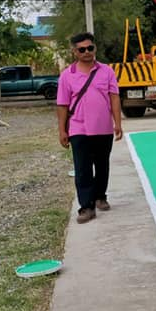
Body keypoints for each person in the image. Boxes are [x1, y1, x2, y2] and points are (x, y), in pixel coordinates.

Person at [56, 32, 122, 224]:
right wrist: (62, 130)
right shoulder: (67, 76)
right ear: (75, 52)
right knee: (82, 168)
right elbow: (62, 105)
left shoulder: (107, 71)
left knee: (102, 165)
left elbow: (114, 97)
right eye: (82, 49)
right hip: (78, 129)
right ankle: (86, 207)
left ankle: (100, 196)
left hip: (103, 128)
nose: (87, 52)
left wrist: (117, 122)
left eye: (90, 48)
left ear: (95, 48)